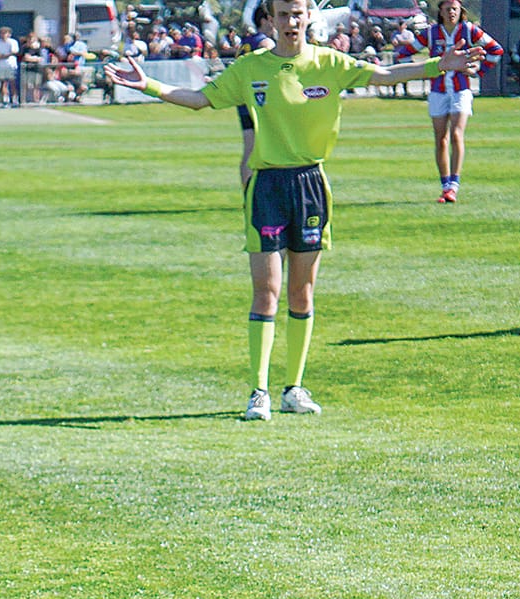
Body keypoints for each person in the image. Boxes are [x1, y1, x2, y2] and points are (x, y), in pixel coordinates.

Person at [111, 0, 468, 419]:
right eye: (283, 14)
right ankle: (257, 391)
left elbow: (386, 74)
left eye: (297, 13)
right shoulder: (250, 68)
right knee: (266, 292)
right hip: (267, 187)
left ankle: (293, 388)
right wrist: (149, 84)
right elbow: (198, 99)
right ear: (271, 19)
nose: (291, 22)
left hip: (311, 186)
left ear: (308, 18)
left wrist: (437, 66)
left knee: (302, 291)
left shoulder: (329, 63)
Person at [401, 0, 502, 202]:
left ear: (460, 11)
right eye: (447, 9)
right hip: (438, 91)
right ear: (441, 11)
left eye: (454, 9)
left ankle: (454, 185)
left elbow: (495, 50)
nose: (451, 12)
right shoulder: (431, 33)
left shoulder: (469, 30)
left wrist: (477, 71)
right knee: (440, 138)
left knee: (456, 134)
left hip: (460, 90)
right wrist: (422, 71)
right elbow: (404, 54)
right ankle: (445, 185)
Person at [237, 3, 277, 188]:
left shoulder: (245, 42)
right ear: (264, 21)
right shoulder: (265, 43)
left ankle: (248, 191)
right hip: (260, 99)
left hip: (243, 99)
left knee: (249, 149)